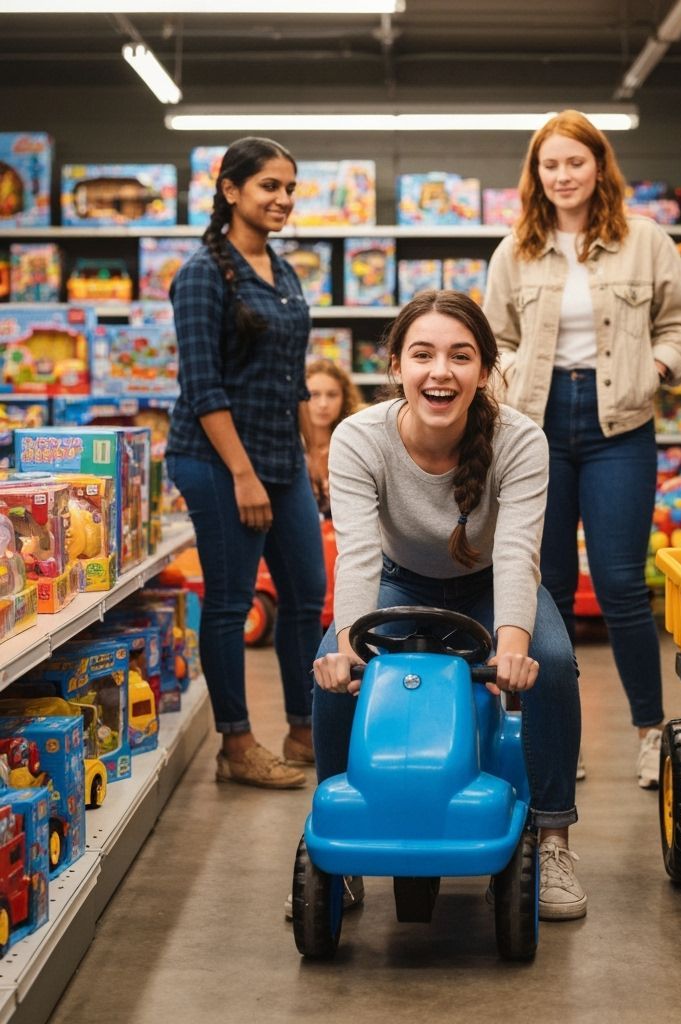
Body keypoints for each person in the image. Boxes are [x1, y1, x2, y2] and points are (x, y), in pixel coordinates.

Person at [311, 289, 587, 920]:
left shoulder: (521, 440)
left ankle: (552, 838)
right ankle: (340, 840)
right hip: (397, 584)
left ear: (484, 370)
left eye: (461, 356)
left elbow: (516, 553)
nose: (441, 371)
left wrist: (512, 652)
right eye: (423, 355)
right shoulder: (359, 438)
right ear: (396, 366)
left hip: (490, 585)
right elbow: (357, 554)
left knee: (552, 662)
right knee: (329, 666)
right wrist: (349, 650)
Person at [483, 109, 681, 788]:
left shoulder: (645, 240)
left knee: (620, 584)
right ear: (535, 173)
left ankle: (649, 731)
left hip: (621, 425)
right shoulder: (515, 250)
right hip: (535, 426)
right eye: (550, 164)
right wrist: (516, 375)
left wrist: (654, 371)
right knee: (542, 588)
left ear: (599, 166)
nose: (563, 175)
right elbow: (493, 338)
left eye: (575, 162)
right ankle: (552, 734)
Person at [167, 136, 325, 790]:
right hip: (216, 461)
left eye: (289, 188)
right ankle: (235, 743)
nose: (282, 199)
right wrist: (242, 474)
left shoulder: (282, 271)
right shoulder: (202, 274)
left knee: (307, 595)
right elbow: (202, 387)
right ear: (231, 191)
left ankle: (306, 729)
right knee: (231, 604)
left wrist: (314, 450)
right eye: (269, 186)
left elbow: (293, 376)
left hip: (281, 459)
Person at [304, 358, 365, 517]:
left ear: (344, 398)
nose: (323, 404)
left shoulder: (356, 446)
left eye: (332, 395)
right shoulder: (289, 449)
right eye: (314, 394)